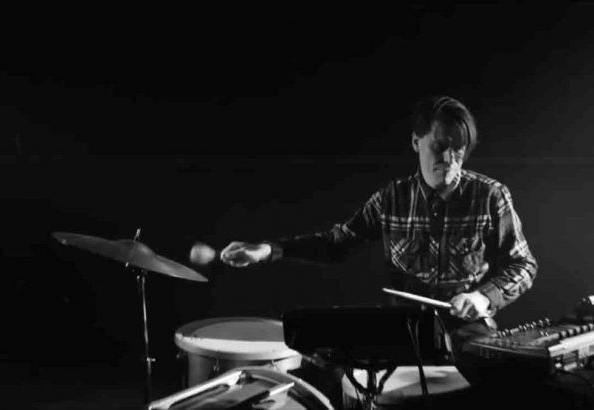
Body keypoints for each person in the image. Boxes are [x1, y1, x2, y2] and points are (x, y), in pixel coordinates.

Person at [217, 95, 537, 383]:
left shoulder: (490, 196)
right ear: (416, 141)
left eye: (459, 149)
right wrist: (270, 249)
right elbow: (335, 244)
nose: (450, 159)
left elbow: (523, 265)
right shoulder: (390, 199)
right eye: (440, 146)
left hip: (467, 330)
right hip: (404, 331)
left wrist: (483, 297)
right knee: (331, 367)